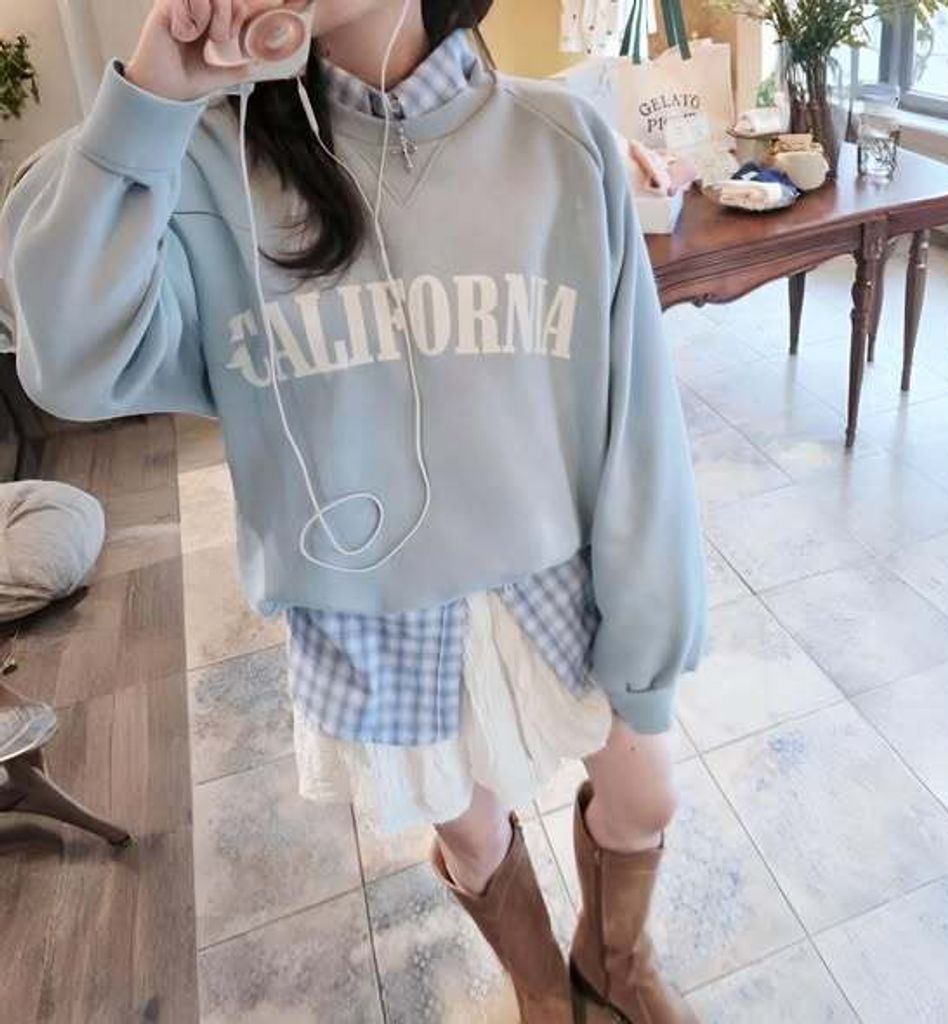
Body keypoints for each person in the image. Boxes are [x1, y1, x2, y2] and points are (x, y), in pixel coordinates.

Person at [1, 1, 707, 1020]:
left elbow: (635, 422)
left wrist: (649, 630)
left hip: (553, 576)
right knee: (475, 835)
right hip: (369, 611)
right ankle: (541, 988)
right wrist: (153, 96)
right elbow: (68, 361)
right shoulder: (202, 163)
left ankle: (616, 961)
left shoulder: (561, 142)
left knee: (646, 794)